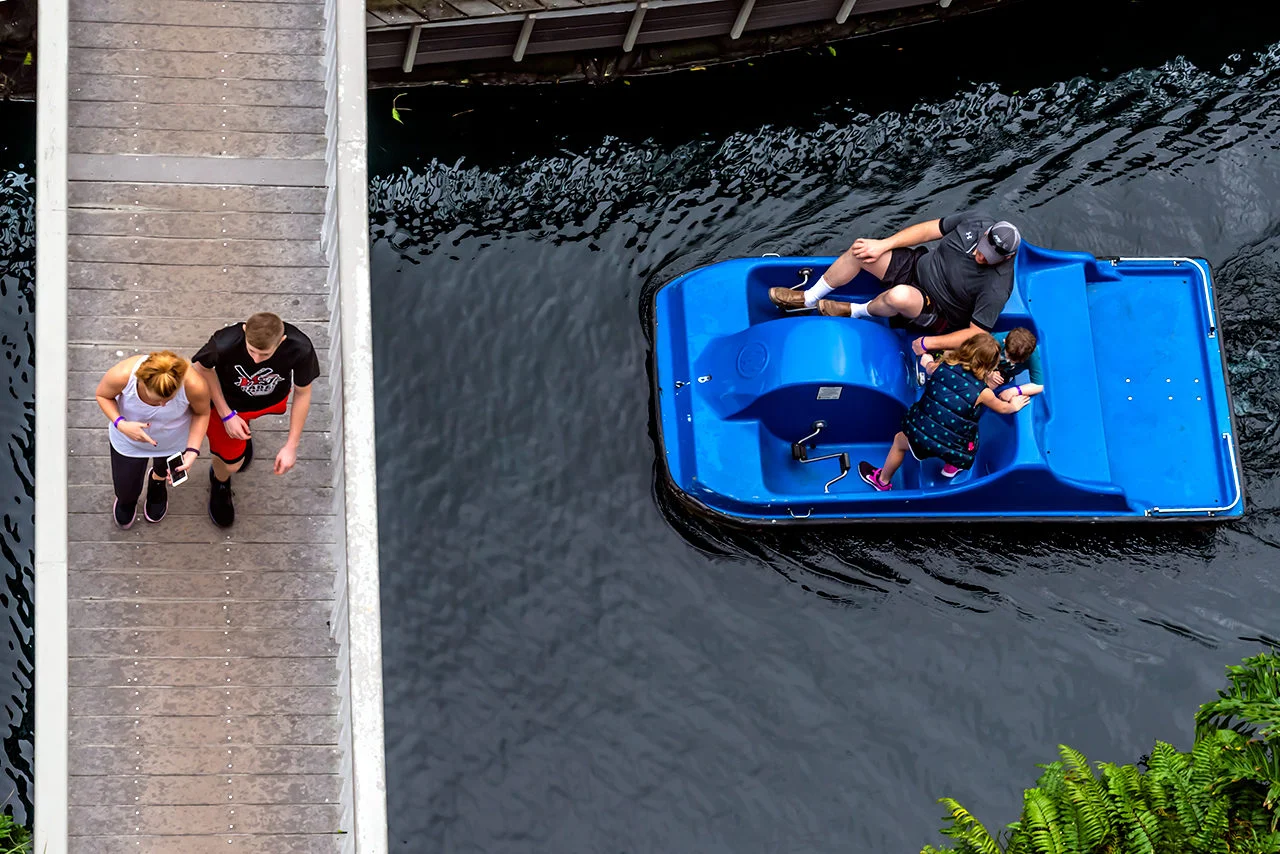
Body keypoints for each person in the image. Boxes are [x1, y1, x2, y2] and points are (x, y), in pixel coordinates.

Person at [770, 213, 1022, 357]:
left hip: (937, 308)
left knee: (900, 296)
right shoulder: (976, 221)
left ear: (1007, 258)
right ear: (986, 233)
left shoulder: (997, 286)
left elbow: (976, 333)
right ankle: (807, 299)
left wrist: (929, 344)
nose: (981, 256)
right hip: (916, 265)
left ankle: (855, 311)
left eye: (989, 257)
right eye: (983, 248)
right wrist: (884, 244)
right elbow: (927, 230)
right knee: (861, 250)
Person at [192, 312, 321, 528]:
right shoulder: (225, 341)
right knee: (232, 463)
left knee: (241, 440)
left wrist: (291, 445)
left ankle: (244, 434)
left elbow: (303, 392)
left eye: (264, 354)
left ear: (281, 342)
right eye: (251, 351)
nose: (255, 360)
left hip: (269, 402)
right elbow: (201, 368)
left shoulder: (300, 347)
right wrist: (226, 414)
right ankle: (220, 480)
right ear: (244, 332)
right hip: (228, 406)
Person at [857, 333, 1029, 492]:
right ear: (990, 366)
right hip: (953, 448)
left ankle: (883, 481)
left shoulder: (945, 366)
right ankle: (952, 467)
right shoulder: (983, 392)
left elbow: (929, 366)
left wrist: (926, 359)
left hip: (922, 436)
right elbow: (1002, 408)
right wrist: (1015, 403)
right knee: (968, 437)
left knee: (899, 441)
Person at [95, 351, 211, 528]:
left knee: (162, 470)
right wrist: (121, 424)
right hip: (128, 442)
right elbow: (103, 395)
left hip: (172, 442)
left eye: (168, 400)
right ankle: (127, 499)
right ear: (141, 381)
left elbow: (202, 413)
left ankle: (157, 481)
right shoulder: (123, 375)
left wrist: (192, 451)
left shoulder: (194, 385)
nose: (163, 405)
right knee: (125, 487)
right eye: (156, 400)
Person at [988, 327, 1044, 400]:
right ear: (1004, 342)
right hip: (987, 365)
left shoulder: (1032, 354)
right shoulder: (996, 341)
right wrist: (989, 373)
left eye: (1016, 361)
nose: (1010, 361)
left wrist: (1014, 391)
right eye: (1008, 356)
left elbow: (1039, 386)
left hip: (1004, 373)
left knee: (995, 383)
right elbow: (976, 358)